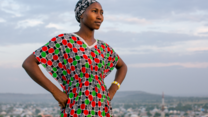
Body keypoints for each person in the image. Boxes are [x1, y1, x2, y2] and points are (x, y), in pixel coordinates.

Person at [22, 0, 128, 117]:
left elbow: (122, 66)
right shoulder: (65, 41)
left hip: (102, 108)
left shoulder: (104, 47)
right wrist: (55, 92)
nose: (100, 17)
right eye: (94, 11)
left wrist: (113, 88)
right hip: (76, 107)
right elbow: (29, 63)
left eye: (102, 13)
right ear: (81, 14)